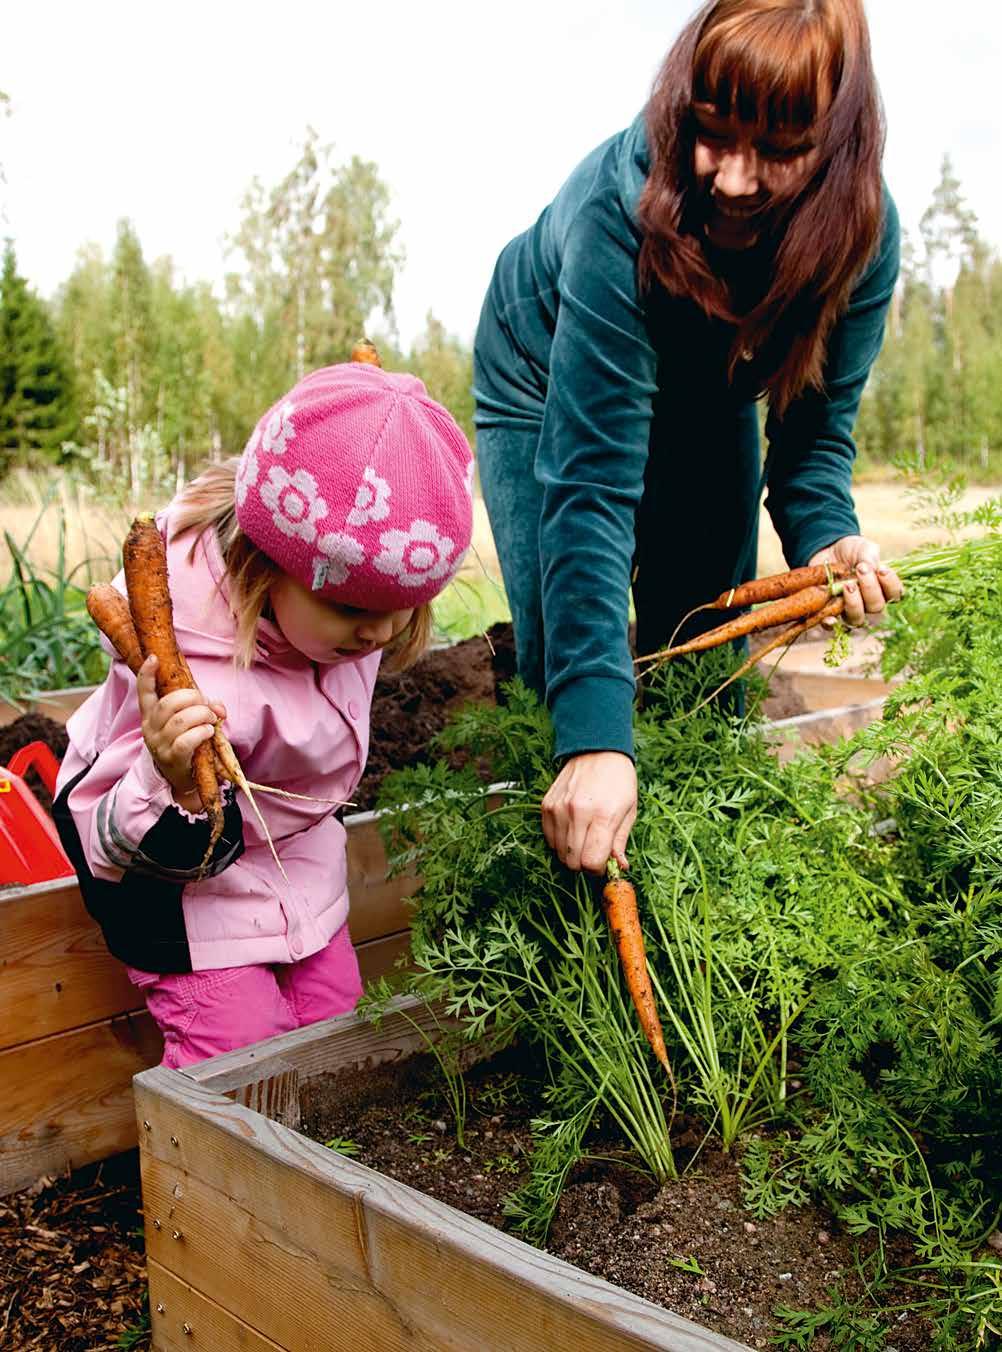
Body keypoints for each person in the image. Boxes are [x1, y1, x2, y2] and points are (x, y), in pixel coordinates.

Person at [473, 0, 903, 877]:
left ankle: (700, 884)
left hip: (708, 396)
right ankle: (567, 877)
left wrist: (830, 541)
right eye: (715, 132)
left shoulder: (859, 238)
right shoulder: (618, 210)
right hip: (539, 375)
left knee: (705, 652)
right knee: (568, 673)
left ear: (836, 144)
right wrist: (597, 742)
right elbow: (591, 491)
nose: (736, 180)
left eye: (779, 151)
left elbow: (814, 448)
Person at [53, 363, 473, 1068]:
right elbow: (110, 848)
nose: (375, 635)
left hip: (294, 859)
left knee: (337, 1031)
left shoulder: (340, 609)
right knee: (238, 1054)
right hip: (175, 884)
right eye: (351, 610)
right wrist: (176, 786)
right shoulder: (184, 665)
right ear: (264, 563)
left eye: (398, 610)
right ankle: (204, 1171)